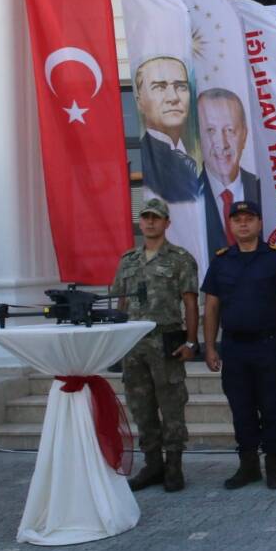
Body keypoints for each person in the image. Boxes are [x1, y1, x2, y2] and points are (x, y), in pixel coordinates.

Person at [201, 200, 276, 490]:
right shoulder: (221, 261)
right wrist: (209, 347)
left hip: (269, 345)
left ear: (259, 223)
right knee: (241, 408)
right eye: (237, 220)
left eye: (249, 219)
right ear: (230, 225)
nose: (243, 224)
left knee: (271, 407)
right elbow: (211, 307)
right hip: (234, 348)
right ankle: (248, 466)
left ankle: (273, 465)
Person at [111, 197, 199, 492]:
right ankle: (153, 465)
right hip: (134, 345)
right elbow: (119, 304)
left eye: (156, 218)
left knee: (172, 406)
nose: (150, 222)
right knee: (141, 407)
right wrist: (115, 342)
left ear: (166, 223)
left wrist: (191, 341)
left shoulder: (180, 259)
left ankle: (174, 465)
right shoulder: (127, 261)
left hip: (166, 341)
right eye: (146, 217)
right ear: (141, 222)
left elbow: (190, 302)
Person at [197, 88, 261, 253]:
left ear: (244, 135)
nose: (222, 143)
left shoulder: (266, 190)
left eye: (230, 130)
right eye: (210, 131)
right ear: (198, 138)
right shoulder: (185, 198)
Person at [134, 56, 202, 204]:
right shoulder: (144, 160)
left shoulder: (199, 160)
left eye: (181, 87)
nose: (173, 97)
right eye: (159, 87)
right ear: (140, 103)